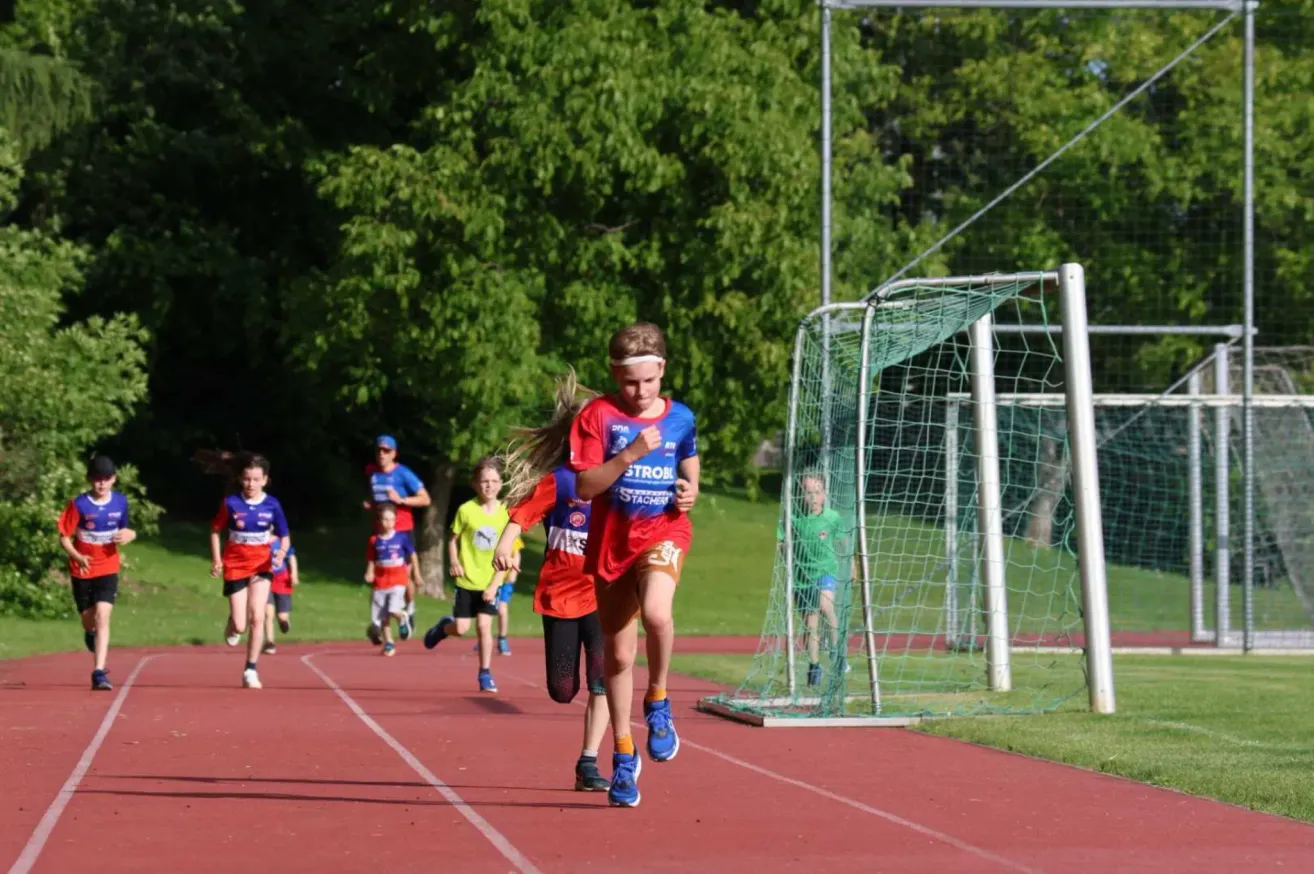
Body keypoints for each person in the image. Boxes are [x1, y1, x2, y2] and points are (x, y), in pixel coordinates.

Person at [569, 323, 699, 808]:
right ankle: (624, 752)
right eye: (630, 383)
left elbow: (689, 461)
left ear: (662, 369)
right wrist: (629, 454)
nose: (640, 392)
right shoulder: (597, 416)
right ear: (614, 375)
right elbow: (585, 487)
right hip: (611, 546)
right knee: (619, 658)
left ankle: (659, 700)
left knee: (658, 614)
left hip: (663, 532)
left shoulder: (680, 416)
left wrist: (690, 490)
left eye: (648, 380)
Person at [493, 370, 610, 791]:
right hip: (560, 595)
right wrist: (505, 544)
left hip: (604, 596)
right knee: (563, 689)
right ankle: (588, 753)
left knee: (603, 680)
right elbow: (520, 517)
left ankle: (589, 762)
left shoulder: (618, 481)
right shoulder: (559, 481)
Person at [421, 457, 508, 693]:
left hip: (491, 581)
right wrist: (455, 562)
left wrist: (495, 585)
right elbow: (453, 540)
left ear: (500, 484)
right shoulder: (466, 510)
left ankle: (485, 673)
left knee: (484, 626)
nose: (489, 486)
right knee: (461, 628)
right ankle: (443, 628)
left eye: (493, 481)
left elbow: (507, 553)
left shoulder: (506, 513)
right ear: (475, 484)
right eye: (484, 481)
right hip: (467, 580)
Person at [209, 453, 291, 689]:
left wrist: (281, 552)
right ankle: (233, 623)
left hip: (262, 566)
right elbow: (215, 530)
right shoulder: (231, 503)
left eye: (256, 479)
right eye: (246, 479)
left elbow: (285, 536)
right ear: (240, 478)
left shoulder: (272, 505)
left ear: (265, 480)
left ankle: (250, 669)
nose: (251, 484)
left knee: (258, 616)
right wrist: (217, 559)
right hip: (235, 566)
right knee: (240, 625)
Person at [57, 455, 136, 691]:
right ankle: (89, 632)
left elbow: (125, 530)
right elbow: (64, 537)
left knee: (103, 614)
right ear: (89, 479)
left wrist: (131, 534)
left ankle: (99, 672)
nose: (101, 483)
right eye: (97, 479)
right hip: (82, 568)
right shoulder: (79, 504)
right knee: (88, 619)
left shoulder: (120, 502)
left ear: (114, 479)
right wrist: (77, 556)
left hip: (108, 567)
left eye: (106, 478)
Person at [783, 472, 852, 687]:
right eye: (807, 492)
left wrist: (852, 565)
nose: (812, 497)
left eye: (817, 492)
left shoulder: (832, 517)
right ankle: (814, 665)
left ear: (824, 495)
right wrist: (785, 551)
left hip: (826, 571)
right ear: (799, 494)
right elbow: (781, 542)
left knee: (825, 606)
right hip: (803, 577)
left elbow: (844, 542)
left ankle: (836, 653)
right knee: (810, 625)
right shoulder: (792, 517)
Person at [364, 434, 432, 636]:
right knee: (380, 576)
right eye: (379, 450)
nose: (382, 454)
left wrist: (401, 500)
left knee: (404, 575)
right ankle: (383, 627)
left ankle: (409, 610)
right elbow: (376, 496)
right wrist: (371, 504)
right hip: (380, 532)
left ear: (394, 453)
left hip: (402, 531)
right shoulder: (371, 472)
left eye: (386, 451)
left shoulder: (403, 473)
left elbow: (425, 499)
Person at [366, 503, 416, 656]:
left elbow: (412, 556)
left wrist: (415, 573)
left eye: (392, 520)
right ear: (379, 521)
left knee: (393, 609)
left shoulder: (402, 538)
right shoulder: (374, 540)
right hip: (380, 581)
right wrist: (369, 572)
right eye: (385, 519)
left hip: (398, 579)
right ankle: (389, 643)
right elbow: (371, 559)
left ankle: (403, 617)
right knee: (383, 616)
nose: (388, 523)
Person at [261, 540, 299, 655]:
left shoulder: (281, 541)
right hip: (265, 579)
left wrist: (294, 574)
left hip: (282, 580)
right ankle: (270, 643)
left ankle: (284, 623)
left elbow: (291, 557)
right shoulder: (259, 541)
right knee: (268, 614)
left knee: (282, 616)